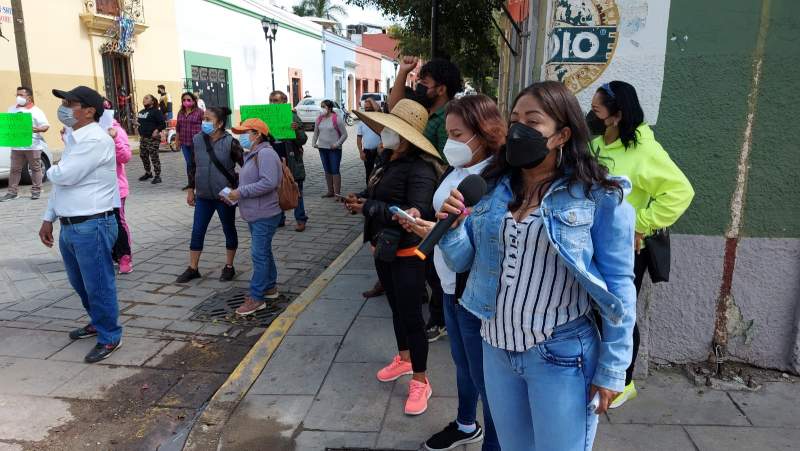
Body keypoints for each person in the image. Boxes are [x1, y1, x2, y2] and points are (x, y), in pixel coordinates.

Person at [437, 81, 637, 450]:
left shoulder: (598, 196)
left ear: (562, 135)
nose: (518, 130)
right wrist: (451, 230)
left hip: (560, 354)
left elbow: (620, 284)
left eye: (532, 121)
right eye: (514, 120)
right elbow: (462, 261)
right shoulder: (493, 188)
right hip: (495, 347)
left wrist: (613, 367)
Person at [397, 94, 504, 450]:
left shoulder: (494, 180)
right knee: (462, 363)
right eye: (448, 134)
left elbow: (483, 242)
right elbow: (446, 219)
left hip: (472, 290)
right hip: (448, 283)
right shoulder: (457, 169)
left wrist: (439, 232)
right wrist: (423, 220)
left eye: (458, 135)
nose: (450, 143)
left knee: (484, 376)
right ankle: (465, 423)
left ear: (483, 133)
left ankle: (495, 441)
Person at [587, 81, 694, 408]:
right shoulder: (597, 144)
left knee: (619, 314)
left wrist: (639, 224)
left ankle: (624, 382)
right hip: (594, 244)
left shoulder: (644, 150)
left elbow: (680, 192)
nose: (591, 115)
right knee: (597, 312)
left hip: (627, 250)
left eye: (596, 110)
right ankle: (601, 373)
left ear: (616, 116)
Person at [347, 99, 442, 416]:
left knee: (412, 317)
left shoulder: (421, 169)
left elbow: (417, 213)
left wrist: (370, 207)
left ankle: (420, 380)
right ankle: (403, 359)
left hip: (407, 252)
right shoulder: (387, 159)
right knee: (397, 311)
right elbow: (380, 195)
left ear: (406, 137)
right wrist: (362, 199)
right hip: (383, 248)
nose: (385, 133)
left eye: (392, 129)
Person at [38, 86, 122, 363]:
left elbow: (64, 176)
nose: (63, 108)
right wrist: (48, 217)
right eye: (64, 102)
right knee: (80, 282)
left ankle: (110, 336)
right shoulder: (75, 138)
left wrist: (51, 168)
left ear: (89, 111)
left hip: (92, 224)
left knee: (98, 284)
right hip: (72, 224)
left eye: (70, 103)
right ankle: (98, 322)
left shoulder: (95, 140)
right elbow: (62, 186)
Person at [177, 106, 243, 283]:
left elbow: (246, 165)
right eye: (203, 119)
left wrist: (239, 190)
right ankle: (193, 268)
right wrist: (191, 190)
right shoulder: (197, 139)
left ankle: (229, 266)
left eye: (208, 119)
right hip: (203, 195)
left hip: (225, 196)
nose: (203, 122)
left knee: (228, 228)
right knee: (197, 230)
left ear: (219, 123)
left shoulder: (231, 142)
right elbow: (192, 166)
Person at [226, 118, 283, 315]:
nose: (242, 136)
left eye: (245, 132)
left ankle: (257, 297)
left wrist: (240, 192)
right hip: (255, 212)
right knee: (264, 252)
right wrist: (235, 193)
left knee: (259, 255)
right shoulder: (254, 153)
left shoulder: (265, 153)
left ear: (257, 134)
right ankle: (270, 287)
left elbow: (269, 182)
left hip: (264, 213)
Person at [269, 90, 309, 232]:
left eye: (276, 100)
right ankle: (280, 219)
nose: (272, 103)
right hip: (273, 158)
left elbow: (303, 140)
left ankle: (300, 219)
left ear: (284, 102)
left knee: (295, 189)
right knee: (275, 190)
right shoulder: (267, 116)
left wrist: (296, 130)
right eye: (271, 100)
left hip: (290, 159)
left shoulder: (292, 116)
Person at [1, 86, 50, 202]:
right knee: (14, 169)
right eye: (17, 95)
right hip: (16, 145)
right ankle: (12, 192)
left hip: (32, 145)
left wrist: (37, 129)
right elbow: (8, 125)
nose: (18, 97)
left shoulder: (36, 111)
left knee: (35, 168)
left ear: (29, 97)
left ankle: (36, 191)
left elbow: (45, 126)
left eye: (21, 95)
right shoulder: (11, 109)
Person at [103, 98, 134, 275]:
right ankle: (111, 254)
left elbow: (125, 157)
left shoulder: (117, 130)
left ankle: (124, 256)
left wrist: (114, 139)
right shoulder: (86, 130)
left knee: (117, 221)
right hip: (96, 187)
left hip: (115, 186)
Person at [312, 99, 348, 199]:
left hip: (334, 149)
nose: (322, 109)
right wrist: (314, 143)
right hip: (322, 148)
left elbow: (344, 135)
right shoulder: (319, 119)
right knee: (327, 170)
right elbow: (316, 133)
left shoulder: (336, 119)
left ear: (330, 108)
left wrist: (337, 144)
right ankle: (330, 191)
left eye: (324, 107)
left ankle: (337, 194)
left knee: (335, 170)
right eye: (321, 107)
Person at [176, 92, 204, 190]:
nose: (186, 102)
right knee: (189, 163)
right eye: (184, 100)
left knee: (196, 163)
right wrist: (177, 140)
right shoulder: (180, 112)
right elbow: (178, 127)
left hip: (196, 142)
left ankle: (200, 183)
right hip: (184, 142)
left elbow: (205, 125)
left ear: (194, 101)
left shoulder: (200, 112)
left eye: (188, 100)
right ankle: (191, 184)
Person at [136, 94, 166, 184]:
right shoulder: (141, 112)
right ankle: (148, 173)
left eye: (146, 98)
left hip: (153, 138)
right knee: (143, 155)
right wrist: (136, 124)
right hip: (143, 138)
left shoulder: (156, 111)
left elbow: (163, 124)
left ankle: (157, 176)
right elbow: (140, 123)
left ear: (152, 101)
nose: (144, 99)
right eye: (144, 98)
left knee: (154, 157)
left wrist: (157, 130)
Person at [357, 98, 383, 186]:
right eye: (366, 108)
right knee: (369, 173)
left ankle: (379, 190)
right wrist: (361, 152)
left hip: (379, 151)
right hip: (367, 151)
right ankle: (369, 190)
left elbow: (378, 110)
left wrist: (371, 100)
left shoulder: (378, 118)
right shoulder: (362, 122)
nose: (367, 109)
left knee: (380, 172)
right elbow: (359, 138)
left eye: (369, 107)